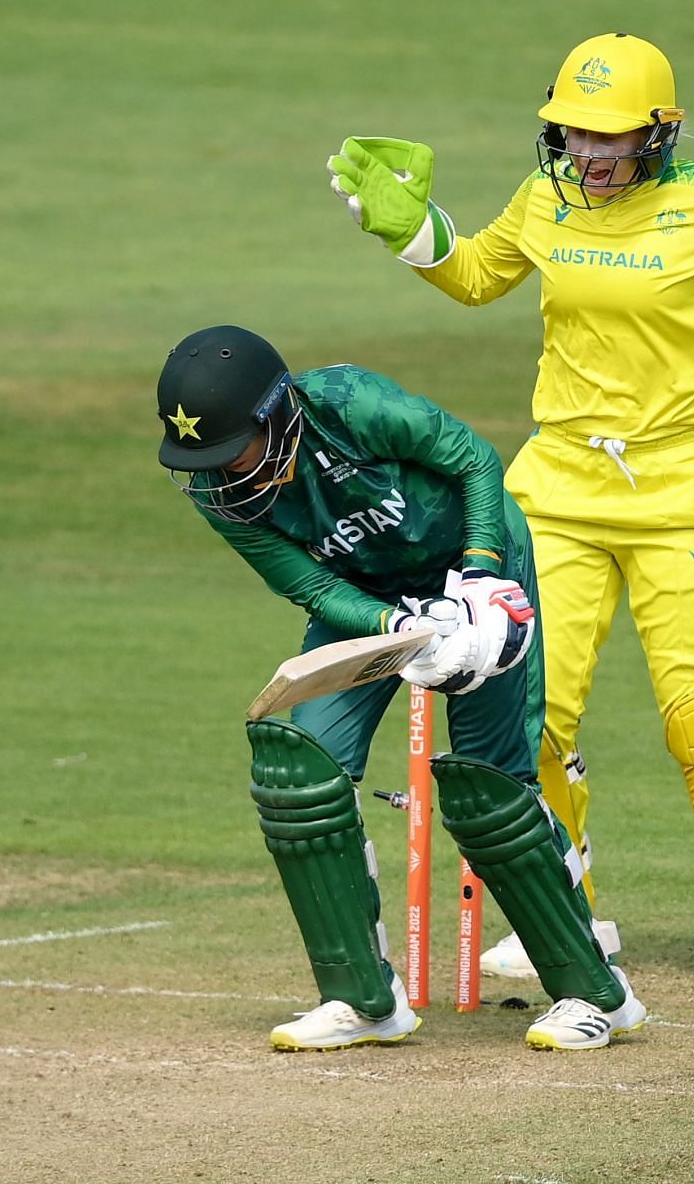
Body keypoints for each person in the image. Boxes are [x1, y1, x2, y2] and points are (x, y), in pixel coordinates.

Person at [324, 33, 694, 992]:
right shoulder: (548, 196)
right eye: (573, 133)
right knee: (522, 710)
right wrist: (411, 229)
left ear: (659, 133)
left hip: (676, 488)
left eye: (609, 138)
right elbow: (481, 272)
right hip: (558, 488)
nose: (588, 153)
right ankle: (562, 920)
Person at [155, 323, 644, 1050]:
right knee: (298, 770)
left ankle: (593, 994)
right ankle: (365, 1001)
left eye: (235, 451)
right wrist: (398, 620)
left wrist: (479, 578)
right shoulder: (214, 490)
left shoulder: (352, 405)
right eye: (209, 459)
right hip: (369, 602)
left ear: (279, 413)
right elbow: (308, 582)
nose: (225, 473)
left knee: (487, 792)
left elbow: (476, 461)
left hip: (476, 568)